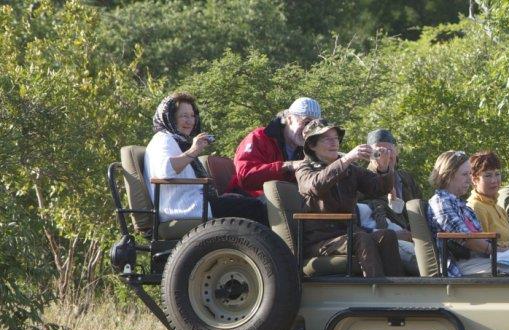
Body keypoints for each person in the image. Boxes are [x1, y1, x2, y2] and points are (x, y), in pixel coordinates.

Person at [294, 119, 405, 277]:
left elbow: (378, 188)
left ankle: (399, 293)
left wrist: (384, 168)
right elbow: (315, 186)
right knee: (361, 239)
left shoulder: (349, 170)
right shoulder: (304, 168)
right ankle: (376, 291)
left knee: (386, 236)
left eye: (336, 139)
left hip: (347, 234)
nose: (335, 143)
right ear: (312, 145)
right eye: (328, 139)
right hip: (320, 240)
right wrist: (346, 159)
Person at [143, 92, 267, 225]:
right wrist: (194, 150)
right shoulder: (163, 140)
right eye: (184, 116)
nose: (190, 121)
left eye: (192, 116)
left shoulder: (178, 140)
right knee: (256, 208)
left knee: (250, 201)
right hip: (183, 209)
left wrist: (218, 198)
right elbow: (165, 171)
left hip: (197, 204)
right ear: (170, 118)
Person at [426, 151, 509, 277]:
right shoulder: (441, 203)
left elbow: (479, 238)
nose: (469, 179)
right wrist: (496, 250)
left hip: (480, 258)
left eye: (470, 174)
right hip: (462, 263)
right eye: (465, 174)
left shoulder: (460, 205)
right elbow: (466, 239)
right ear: (448, 175)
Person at [232, 97, 321, 197]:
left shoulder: (310, 148)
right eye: (307, 122)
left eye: (314, 125)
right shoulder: (258, 138)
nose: (309, 129)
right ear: (290, 119)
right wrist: (288, 166)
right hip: (248, 199)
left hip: (286, 200)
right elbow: (245, 178)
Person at [358, 129, 421, 238]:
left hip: (416, 236)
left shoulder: (406, 178)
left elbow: (420, 206)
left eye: (389, 150)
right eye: (379, 151)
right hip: (385, 238)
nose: (386, 155)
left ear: (396, 153)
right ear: (370, 155)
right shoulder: (362, 179)